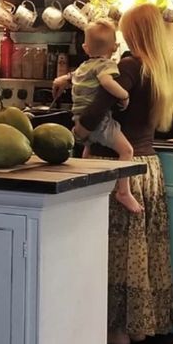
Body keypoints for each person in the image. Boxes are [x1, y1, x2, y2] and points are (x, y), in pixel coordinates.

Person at [76, 4, 173, 344]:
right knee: (140, 252)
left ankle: (116, 330)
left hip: (118, 168)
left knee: (116, 251)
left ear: (134, 33)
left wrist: (80, 129)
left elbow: (100, 103)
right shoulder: (160, 68)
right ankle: (138, 326)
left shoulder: (130, 66)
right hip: (146, 166)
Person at [53, 19, 141, 213]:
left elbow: (73, 77)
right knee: (126, 151)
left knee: (88, 151)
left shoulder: (84, 66)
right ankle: (124, 192)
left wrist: (61, 79)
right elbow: (107, 82)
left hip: (78, 120)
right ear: (115, 46)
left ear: (85, 47)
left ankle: (86, 186)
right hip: (99, 123)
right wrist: (124, 95)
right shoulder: (106, 65)